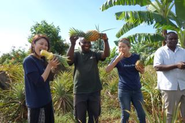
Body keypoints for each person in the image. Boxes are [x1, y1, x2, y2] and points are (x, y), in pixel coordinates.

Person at [67, 34, 110, 123]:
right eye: (84, 42)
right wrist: (72, 44)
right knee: (80, 118)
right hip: (80, 91)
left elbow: (106, 54)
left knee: (94, 118)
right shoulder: (76, 54)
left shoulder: (94, 53)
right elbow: (69, 60)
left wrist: (105, 40)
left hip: (94, 91)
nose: (87, 44)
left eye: (89, 42)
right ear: (79, 43)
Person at [105, 38, 146, 123]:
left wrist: (140, 69)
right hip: (124, 90)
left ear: (129, 47)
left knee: (141, 113)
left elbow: (142, 71)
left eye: (123, 47)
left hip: (136, 90)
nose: (121, 49)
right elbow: (107, 70)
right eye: (119, 47)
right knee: (125, 114)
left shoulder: (136, 57)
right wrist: (117, 59)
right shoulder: (117, 58)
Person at [23, 34, 59, 123]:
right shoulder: (29, 61)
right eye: (41, 44)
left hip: (47, 101)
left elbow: (49, 78)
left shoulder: (43, 60)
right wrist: (49, 66)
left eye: (46, 45)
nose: (44, 47)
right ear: (33, 44)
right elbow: (39, 82)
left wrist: (52, 67)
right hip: (37, 104)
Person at [153, 31, 185, 123]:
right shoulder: (160, 52)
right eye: (171, 39)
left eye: (175, 39)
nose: (173, 40)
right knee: (170, 113)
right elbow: (157, 67)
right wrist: (176, 65)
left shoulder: (183, 51)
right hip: (169, 87)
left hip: (183, 85)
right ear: (166, 40)